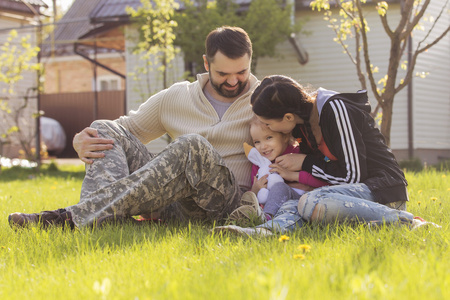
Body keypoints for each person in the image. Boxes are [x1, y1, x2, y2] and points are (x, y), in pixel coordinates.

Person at [8, 26, 262, 229]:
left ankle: (71, 218)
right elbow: (124, 130)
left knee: (192, 145)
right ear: (207, 64)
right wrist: (79, 140)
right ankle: (103, 222)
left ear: (250, 62)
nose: (232, 81)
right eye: (223, 73)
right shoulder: (176, 97)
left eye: (241, 72)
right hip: (176, 206)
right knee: (104, 129)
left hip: (225, 203)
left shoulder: (264, 99)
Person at [213, 75, 439, 236]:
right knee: (295, 200)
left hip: (381, 191)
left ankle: (407, 222)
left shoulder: (335, 109)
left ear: (288, 117)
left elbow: (353, 176)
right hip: (343, 196)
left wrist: (304, 163)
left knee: (311, 200)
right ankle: (268, 231)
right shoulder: (302, 126)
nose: (269, 128)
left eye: (269, 123)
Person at [228, 117, 328, 224]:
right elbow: (257, 192)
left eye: (269, 138)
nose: (263, 146)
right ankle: (249, 217)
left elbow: (322, 181)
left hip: (300, 201)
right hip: (276, 206)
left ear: (285, 136)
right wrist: (255, 189)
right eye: (257, 142)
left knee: (279, 187)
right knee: (254, 198)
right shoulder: (259, 164)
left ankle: (266, 218)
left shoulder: (296, 155)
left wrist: (291, 175)